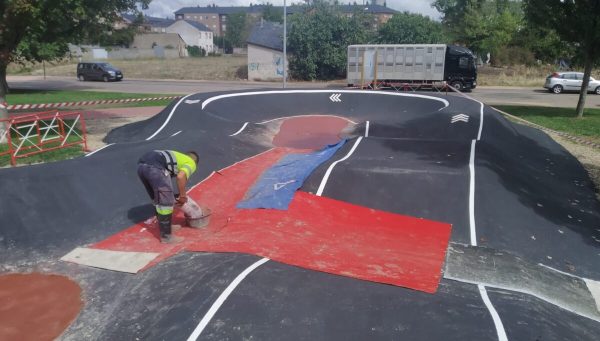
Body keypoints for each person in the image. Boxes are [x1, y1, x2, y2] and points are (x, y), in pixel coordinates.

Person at [137, 150, 199, 243]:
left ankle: (167, 227)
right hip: (155, 168)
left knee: (157, 199)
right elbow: (181, 176)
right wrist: (183, 196)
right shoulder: (191, 162)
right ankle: (166, 237)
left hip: (141, 167)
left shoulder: (177, 157)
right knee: (166, 202)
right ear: (195, 161)